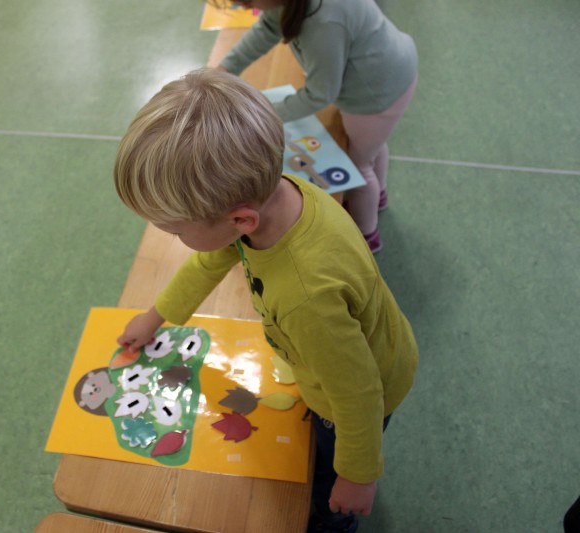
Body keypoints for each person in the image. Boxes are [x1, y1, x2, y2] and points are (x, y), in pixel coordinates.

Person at [113, 68, 418, 533]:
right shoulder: (280, 194)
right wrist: (156, 316)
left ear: (241, 220)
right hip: (347, 356)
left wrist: (358, 475)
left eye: (175, 231)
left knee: (326, 481)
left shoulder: (305, 298)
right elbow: (209, 262)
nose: (173, 239)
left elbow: (358, 395)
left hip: (357, 393)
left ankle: (333, 524)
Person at [211, 0, 418, 253]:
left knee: (357, 169)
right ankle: (379, 198)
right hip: (389, 69)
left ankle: (367, 236)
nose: (242, 6)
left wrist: (261, 114)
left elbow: (320, 95)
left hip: (374, 95)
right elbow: (268, 27)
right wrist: (226, 68)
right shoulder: (292, 6)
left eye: (248, 1)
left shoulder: (323, 21)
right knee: (371, 148)